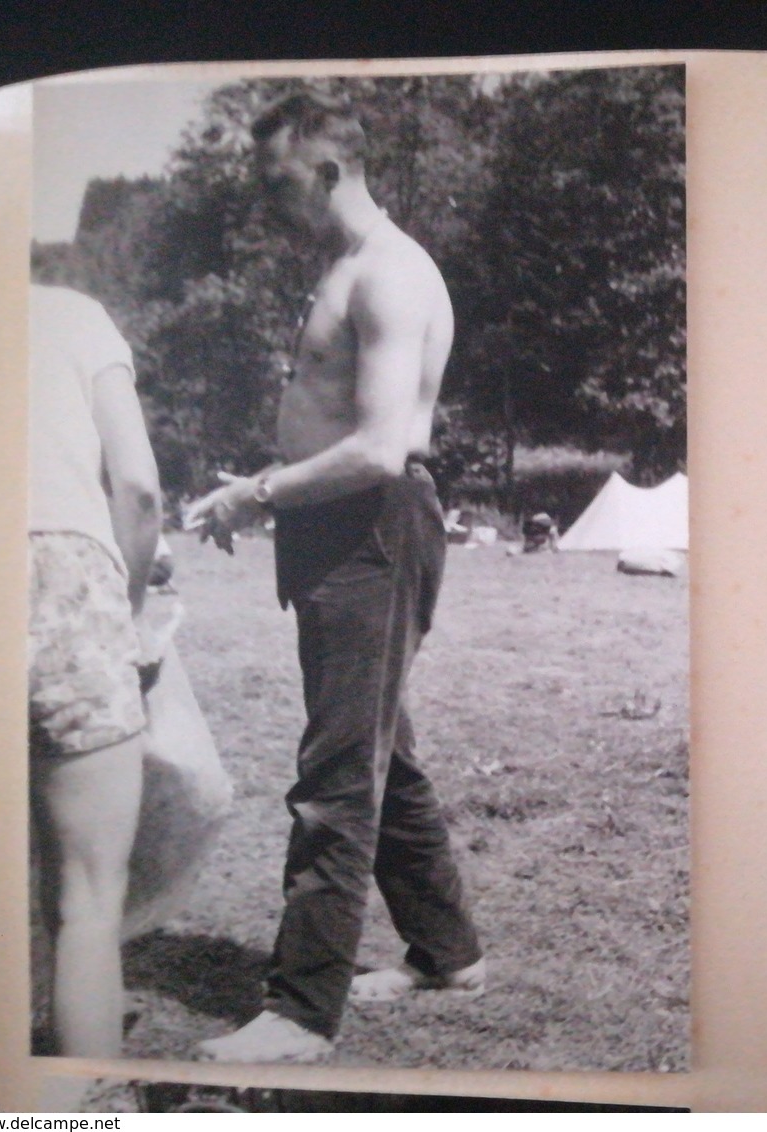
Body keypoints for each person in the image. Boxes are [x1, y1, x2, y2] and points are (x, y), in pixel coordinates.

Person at [186, 93, 483, 1063]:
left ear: (323, 171)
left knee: (335, 775)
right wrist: (272, 501)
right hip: (333, 534)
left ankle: (300, 1010)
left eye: (275, 183)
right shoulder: (345, 267)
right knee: (377, 748)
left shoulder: (388, 275)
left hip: (372, 529)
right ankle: (448, 954)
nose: (268, 204)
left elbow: (380, 450)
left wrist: (255, 492)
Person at [28, 283, 162, 1056]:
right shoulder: (73, 314)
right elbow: (138, 487)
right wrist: (128, 610)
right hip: (67, 578)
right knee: (87, 903)